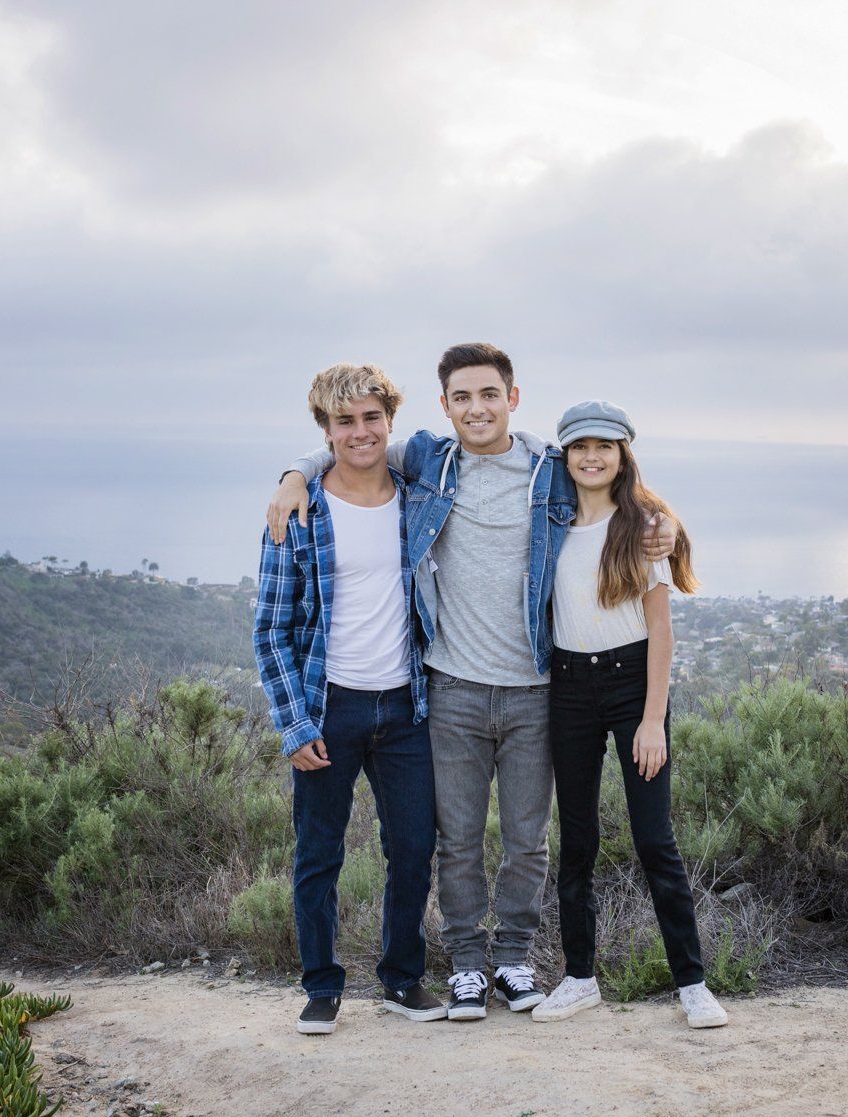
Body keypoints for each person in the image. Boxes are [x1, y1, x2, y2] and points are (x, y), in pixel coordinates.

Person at [266, 343, 679, 1020]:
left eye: (489, 394)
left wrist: (668, 523)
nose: (477, 408)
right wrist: (291, 476)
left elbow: (622, 491)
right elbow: (346, 448)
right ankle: (463, 964)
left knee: (526, 838)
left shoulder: (550, 469)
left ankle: (513, 959)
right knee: (454, 838)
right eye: (462, 397)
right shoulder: (428, 460)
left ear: (513, 398)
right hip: (450, 686)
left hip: (534, 688)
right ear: (445, 406)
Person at [253, 363, 447, 1035]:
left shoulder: (418, 492)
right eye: (345, 421)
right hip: (328, 705)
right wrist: (294, 721)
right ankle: (321, 987)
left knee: (416, 846)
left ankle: (401, 979)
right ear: (326, 429)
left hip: (405, 706)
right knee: (319, 851)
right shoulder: (299, 511)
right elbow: (271, 628)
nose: (360, 431)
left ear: (388, 420)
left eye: (371, 417)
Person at [529, 401, 728, 1029]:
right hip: (567, 687)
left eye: (604, 447)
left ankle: (692, 983)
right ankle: (579, 977)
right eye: (580, 446)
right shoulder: (550, 522)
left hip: (630, 685)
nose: (592, 457)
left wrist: (651, 720)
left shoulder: (644, 528)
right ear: (564, 454)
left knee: (654, 840)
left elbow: (661, 632)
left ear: (623, 455)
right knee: (577, 838)